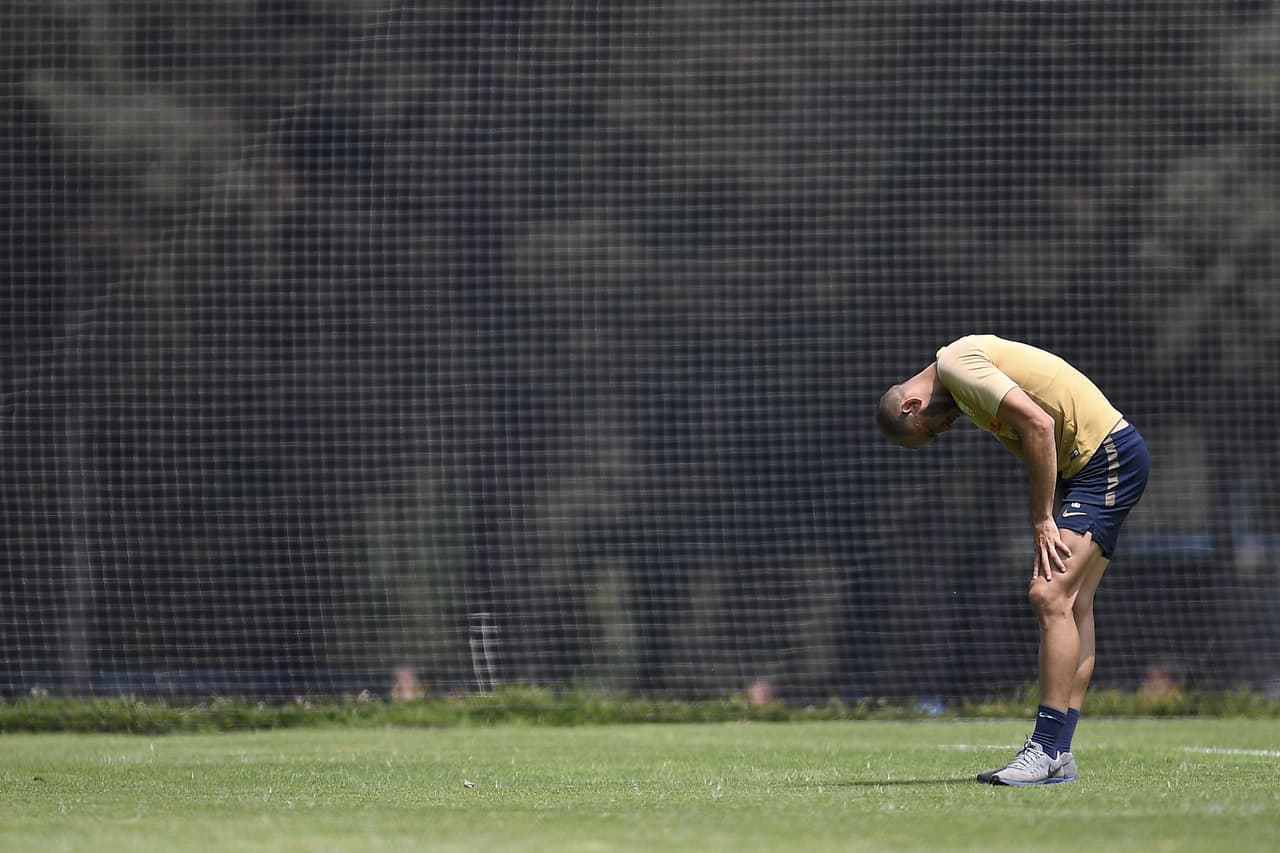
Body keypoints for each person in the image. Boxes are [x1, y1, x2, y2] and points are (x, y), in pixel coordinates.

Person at [876, 334, 1149, 786]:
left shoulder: (959, 366)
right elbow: (1029, 441)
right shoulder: (966, 395)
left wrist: (1043, 518)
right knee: (1073, 603)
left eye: (929, 430)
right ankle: (1059, 753)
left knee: (1049, 593)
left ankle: (1043, 750)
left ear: (911, 406)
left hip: (1107, 458)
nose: (941, 432)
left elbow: (1040, 425)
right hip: (1094, 466)